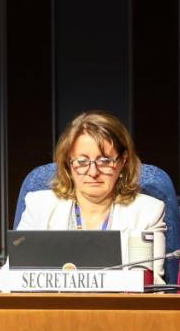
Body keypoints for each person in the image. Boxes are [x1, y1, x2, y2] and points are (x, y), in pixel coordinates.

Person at [16, 110, 166, 281]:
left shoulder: (147, 212)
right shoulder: (39, 206)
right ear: (67, 163)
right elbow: (11, 278)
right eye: (82, 162)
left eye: (104, 161)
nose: (93, 172)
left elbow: (150, 287)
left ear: (123, 161)